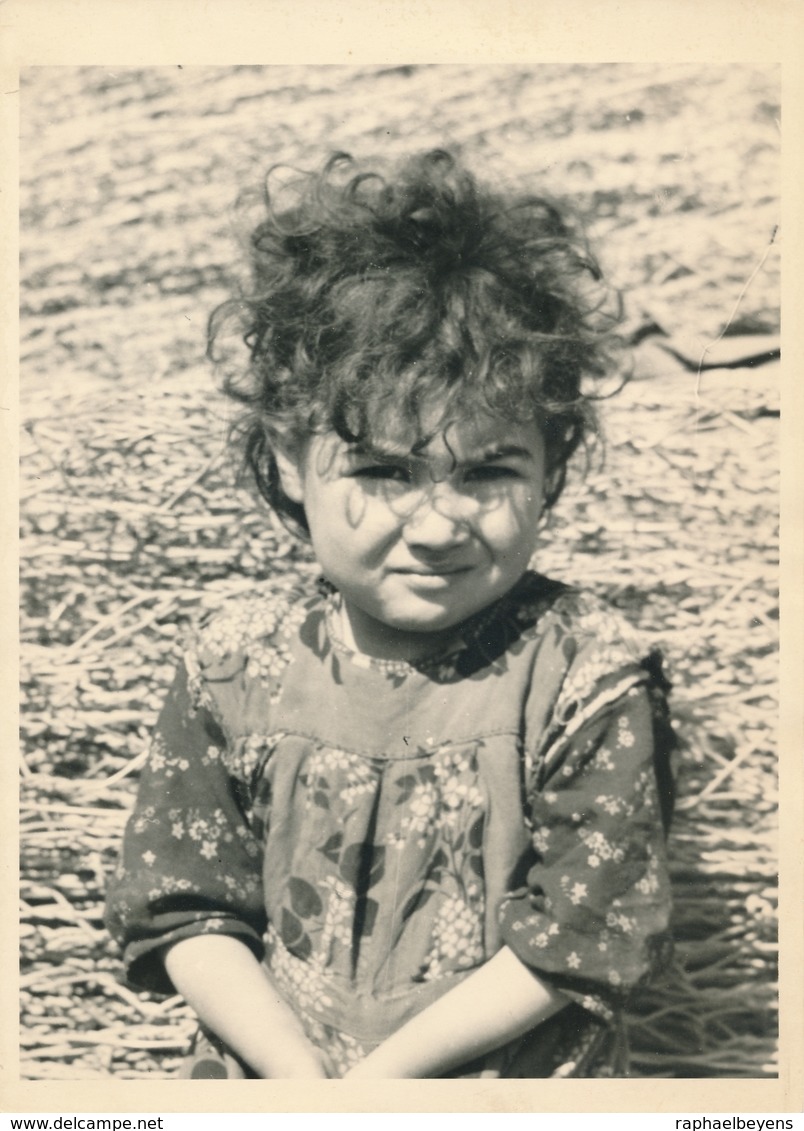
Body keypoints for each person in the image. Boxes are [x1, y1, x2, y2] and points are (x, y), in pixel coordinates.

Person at [104, 149, 676, 1079]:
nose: (439, 522)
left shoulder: (587, 675)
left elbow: (585, 927)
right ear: (292, 460)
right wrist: (300, 1081)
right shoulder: (230, 662)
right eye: (383, 471)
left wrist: (376, 1091)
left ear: (554, 463)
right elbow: (187, 904)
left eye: (489, 470)